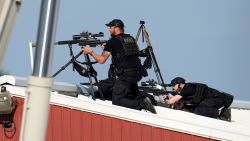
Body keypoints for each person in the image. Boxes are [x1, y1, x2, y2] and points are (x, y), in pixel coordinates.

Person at [82, 19, 156, 114]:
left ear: (116, 28)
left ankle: (141, 104)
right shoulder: (131, 39)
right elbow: (123, 53)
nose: (109, 30)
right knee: (133, 95)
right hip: (138, 73)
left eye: (110, 27)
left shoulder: (112, 41)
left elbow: (101, 60)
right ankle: (143, 99)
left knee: (117, 101)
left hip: (126, 75)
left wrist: (90, 52)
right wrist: (108, 49)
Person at [165, 77, 234, 120]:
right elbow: (177, 103)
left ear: (179, 84)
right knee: (194, 109)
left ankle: (223, 114)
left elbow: (170, 102)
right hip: (213, 100)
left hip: (217, 99)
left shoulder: (186, 89)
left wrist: (165, 96)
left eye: (174, 85)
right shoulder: (186, 90)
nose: (172, 88)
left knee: (200, 109)